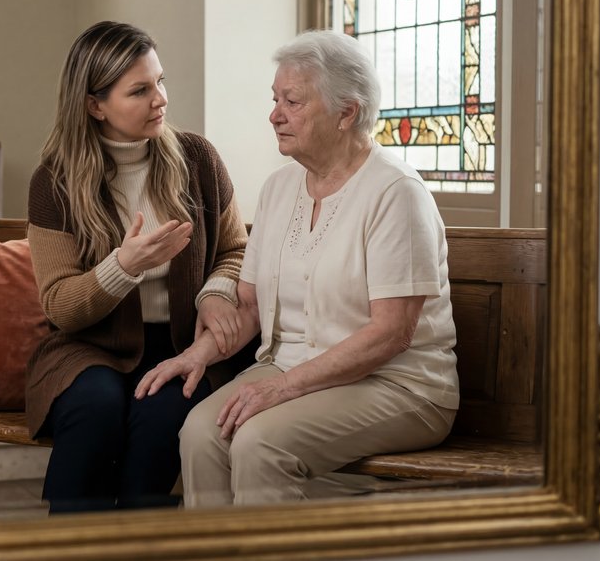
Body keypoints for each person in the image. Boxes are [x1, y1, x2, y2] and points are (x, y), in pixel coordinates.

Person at [135, 29, 459, 506]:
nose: (275, 115)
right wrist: (199, 354)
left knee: (260, 442)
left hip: (398, 385)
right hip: (288, 368)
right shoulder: (279, 188)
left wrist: (282, 390)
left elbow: (392, 334)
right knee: (200, 433)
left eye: (293, 101)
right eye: (275, 99)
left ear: (347, 112)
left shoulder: (396, 193)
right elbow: (248, 306)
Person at [25, 21, 253, 513]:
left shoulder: (198, 159)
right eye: (140, 90)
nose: (161, 99)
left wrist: (214, 292)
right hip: (89, 347)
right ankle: (71, 544)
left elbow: (236, 249)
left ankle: (137, 539)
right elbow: (61, 307)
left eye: (161, 81)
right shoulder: (54, 182)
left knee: (165, 412)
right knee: (96, 404)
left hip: (182, 346)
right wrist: (122, 266)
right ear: (94, 105)